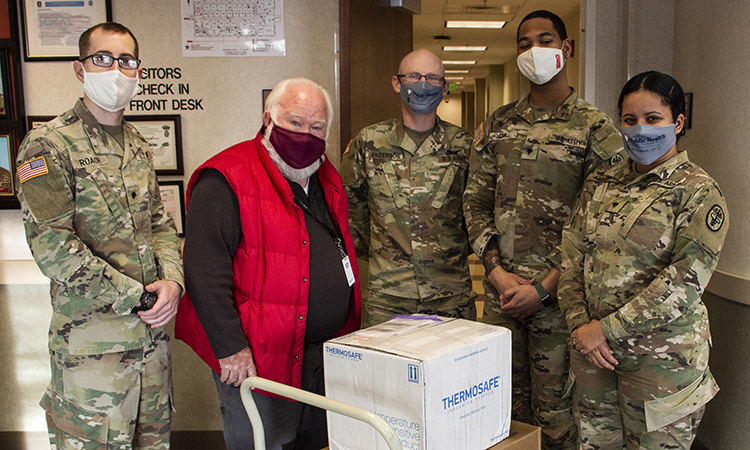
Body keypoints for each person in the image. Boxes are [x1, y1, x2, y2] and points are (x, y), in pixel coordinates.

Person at [16, 22, 184, 449]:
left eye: (126, 61)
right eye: (103, 59)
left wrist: (172, 281)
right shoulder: (47, 146)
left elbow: (160, 225)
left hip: (152, 345)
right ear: (80, 69)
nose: (116, 70)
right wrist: (140, 297)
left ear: (137, 72)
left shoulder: (138, 145)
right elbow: (55, 249)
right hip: (94, 354)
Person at [462, 10, 625, 449]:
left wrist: (546, 288)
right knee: (497, 411)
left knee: (556, 418)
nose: (534, 49)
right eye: (524, 42)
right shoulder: (497, 125)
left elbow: (601, 225)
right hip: (501, 298)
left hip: (562, 304)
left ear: (566, 49)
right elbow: (474, 203)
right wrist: (495, 274)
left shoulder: (596, 130)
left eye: (545, 39)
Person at [175, 78, 362, 450]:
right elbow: (203, 269)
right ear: (267, 119)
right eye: (295, 122)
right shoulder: (226, 177)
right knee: (265, 443)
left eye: (316, 127)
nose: (305, 135)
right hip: (257, 359)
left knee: (317, 443)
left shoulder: (325, 178)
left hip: (320, 355)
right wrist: (230, 348)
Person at [558, 71, 727, 449]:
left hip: (661, 364)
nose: (639, 130)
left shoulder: (697, 192)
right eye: (630, 120)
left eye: (653, 119)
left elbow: (683, 283)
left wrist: (605, 329)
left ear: (678, 122)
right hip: (593, 356)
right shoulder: (602, 182)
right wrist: (581, 325)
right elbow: (571, 256)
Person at [342, 49, 476, 328]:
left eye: (433, 78)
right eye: (414, 76)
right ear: (397, 83)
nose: (423, 84)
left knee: (452, 371)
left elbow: (477, 211)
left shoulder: (464, 145)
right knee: (385, 372)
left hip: (450, 294)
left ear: (444, 85)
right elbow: (350, 210)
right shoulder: (368, 142)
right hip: (388, 296)